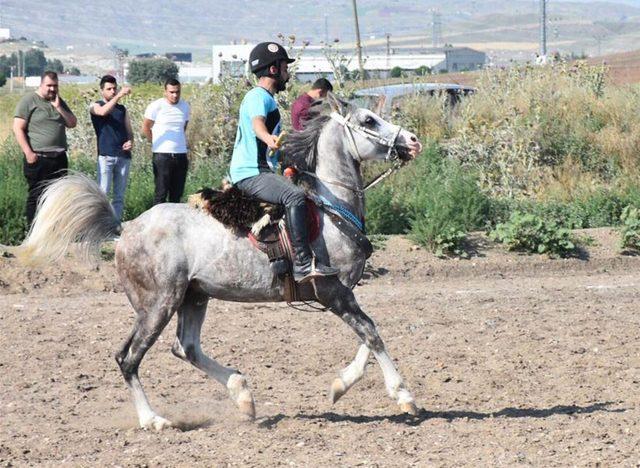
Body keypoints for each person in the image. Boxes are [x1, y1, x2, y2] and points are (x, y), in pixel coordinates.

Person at [229, 42, 338, 284]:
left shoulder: (266, 99)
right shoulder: (258, 96)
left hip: (259, 170)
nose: (289, 73)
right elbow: (258, 125)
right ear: (273, 70)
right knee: (295, 197)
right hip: (251, 173)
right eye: (285, 67)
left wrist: (285, 161)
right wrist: (269, 139)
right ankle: (301, 264)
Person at [13, 70, 77, 227]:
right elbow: (17, 128)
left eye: (55, 86)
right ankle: (32, 234)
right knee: (37, 196)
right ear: (41, 84)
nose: (52, 89)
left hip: (59, 158)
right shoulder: (29, 100)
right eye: (49, 85)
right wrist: (28, 153)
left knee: (57, 198)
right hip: (39, 158)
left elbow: (72, 123)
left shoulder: (58, 101)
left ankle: (52, 233)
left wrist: (58, 107)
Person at [90, 75, 133, 221]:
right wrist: (119, 96)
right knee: (102, 194)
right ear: (102, 91)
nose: (113, 91)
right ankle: (99, 225)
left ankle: (115, 226)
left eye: (115, 88)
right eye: (109, 89)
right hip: (106, 156)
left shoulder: (122, 109)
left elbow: (129, 130)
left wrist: (130, 141)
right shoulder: (95, 105)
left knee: (119, 196)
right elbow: (102, 112)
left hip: (123, 156)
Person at [142, 78, 190, 204]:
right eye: (171, 92)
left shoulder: (185, 106)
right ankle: (158, 223)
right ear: (165, 92)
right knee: (161, 194)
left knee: (177, 195)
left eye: (177, 92)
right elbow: (146, 127)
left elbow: (183, 127)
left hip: (180, 154)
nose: (175, 95)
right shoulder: (156, 106)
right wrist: (154, 142)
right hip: (162, 155)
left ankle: (174, 223)